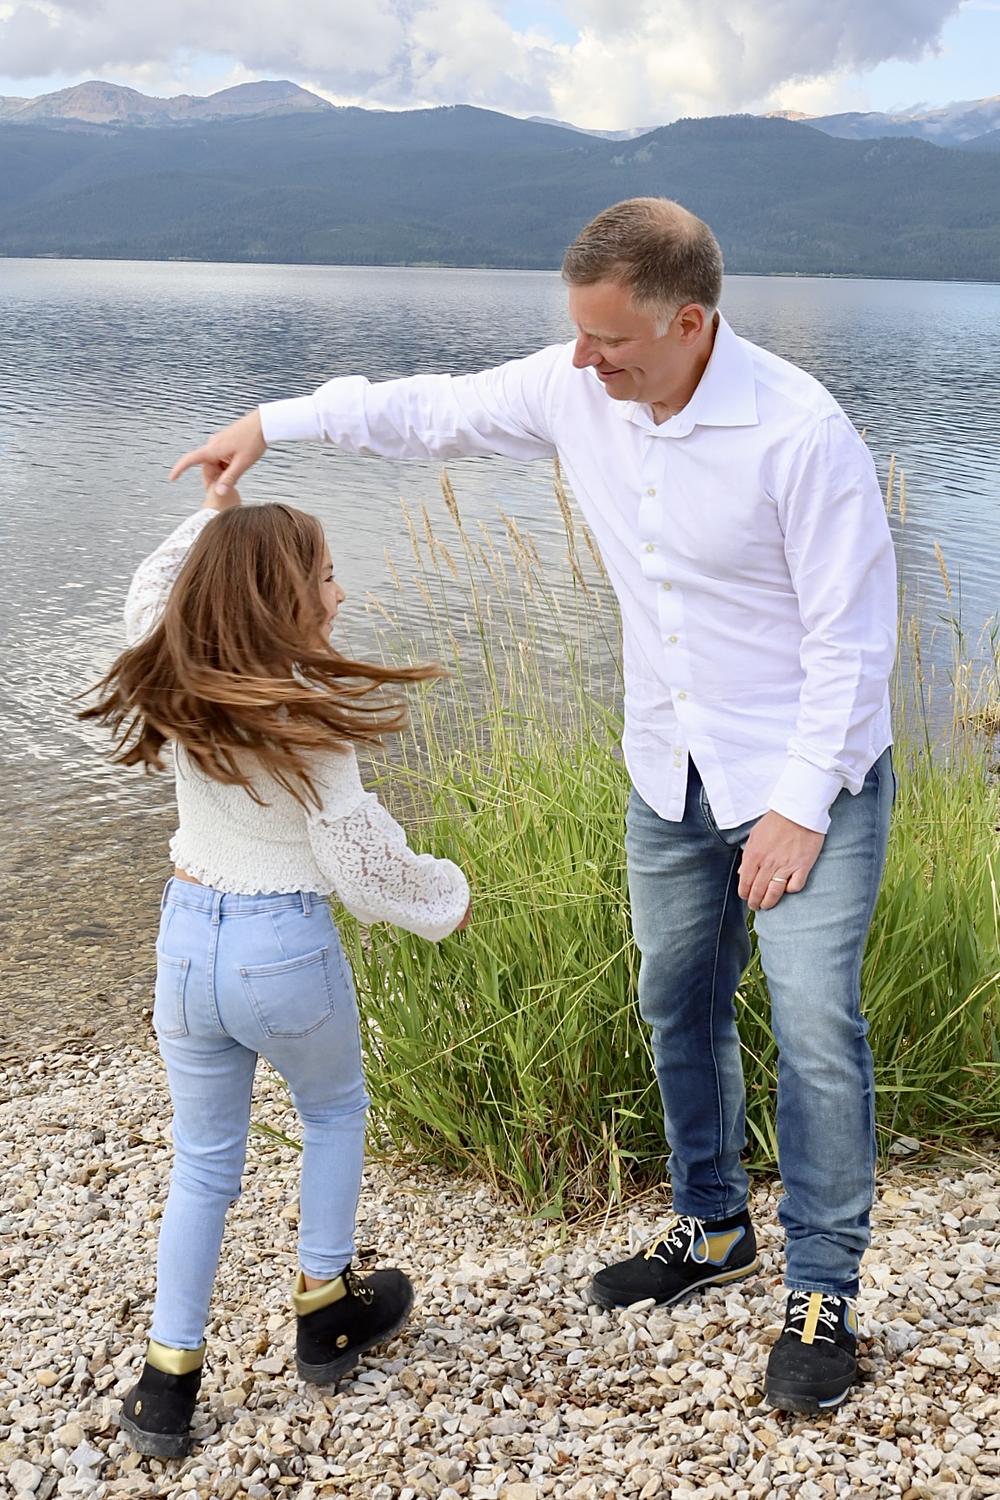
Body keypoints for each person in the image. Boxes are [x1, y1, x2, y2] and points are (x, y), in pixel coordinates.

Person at [170, 197, 898, 1415]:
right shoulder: (579, 388)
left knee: (816, 1030)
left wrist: (799, 805)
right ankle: (713, 1226)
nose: (583, 359)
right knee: (675, 1002)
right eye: (577, 334)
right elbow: (429, 411)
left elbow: (853, 642)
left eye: (610, 339)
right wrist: (270, 423)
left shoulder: (799, 432)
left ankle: (822, 1295)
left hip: (803, 780)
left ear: (689, 322)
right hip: (669, 770)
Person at [80, 465, 471, 1457]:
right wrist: (442, 901)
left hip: (184, 942)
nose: (339, 592)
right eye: (326, 575)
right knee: (333, 1112)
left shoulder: (172, 673)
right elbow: (358, 859)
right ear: (279, 594)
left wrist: (212, 515)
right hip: (282, 946)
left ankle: (167, 1380)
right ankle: (326, 1307)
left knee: (202, 1161)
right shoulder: (307, 710)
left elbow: (150, 587)